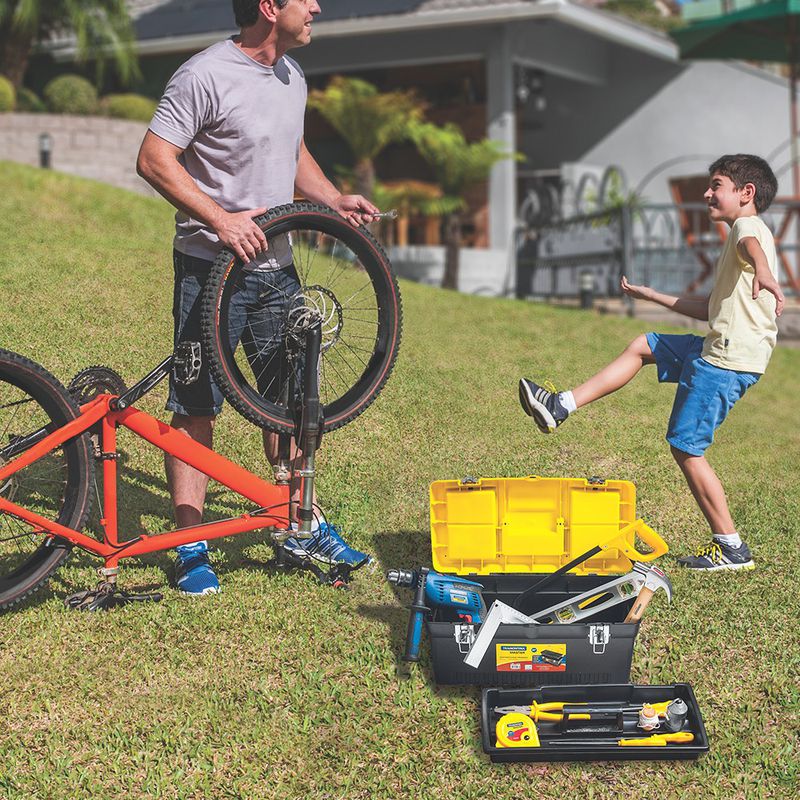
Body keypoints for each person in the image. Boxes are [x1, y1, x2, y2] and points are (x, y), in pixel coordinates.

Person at [137, 0, 379, 595]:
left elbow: (292, 154)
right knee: (198, 406)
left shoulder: (291, 77)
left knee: (295, 401)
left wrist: (332, 199)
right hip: (209, 268)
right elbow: (153, 158)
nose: (317, 7)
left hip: (277, 268)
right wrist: (220, 219)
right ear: (271, 8)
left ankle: (299, 521)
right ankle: (189, 544)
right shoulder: (204, 74)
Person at [519, 154, 785, 571]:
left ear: (745, 193)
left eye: (716, 185)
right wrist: (653, 295)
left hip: (727, 359)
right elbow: (711, 308)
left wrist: (766, 272)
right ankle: (560, 405)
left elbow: (753, 250)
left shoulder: (747, 229)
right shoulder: (741, 234)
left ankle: (731, 546)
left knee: (687, 447)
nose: (707, 193)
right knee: (644, 345)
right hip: (721, 345)